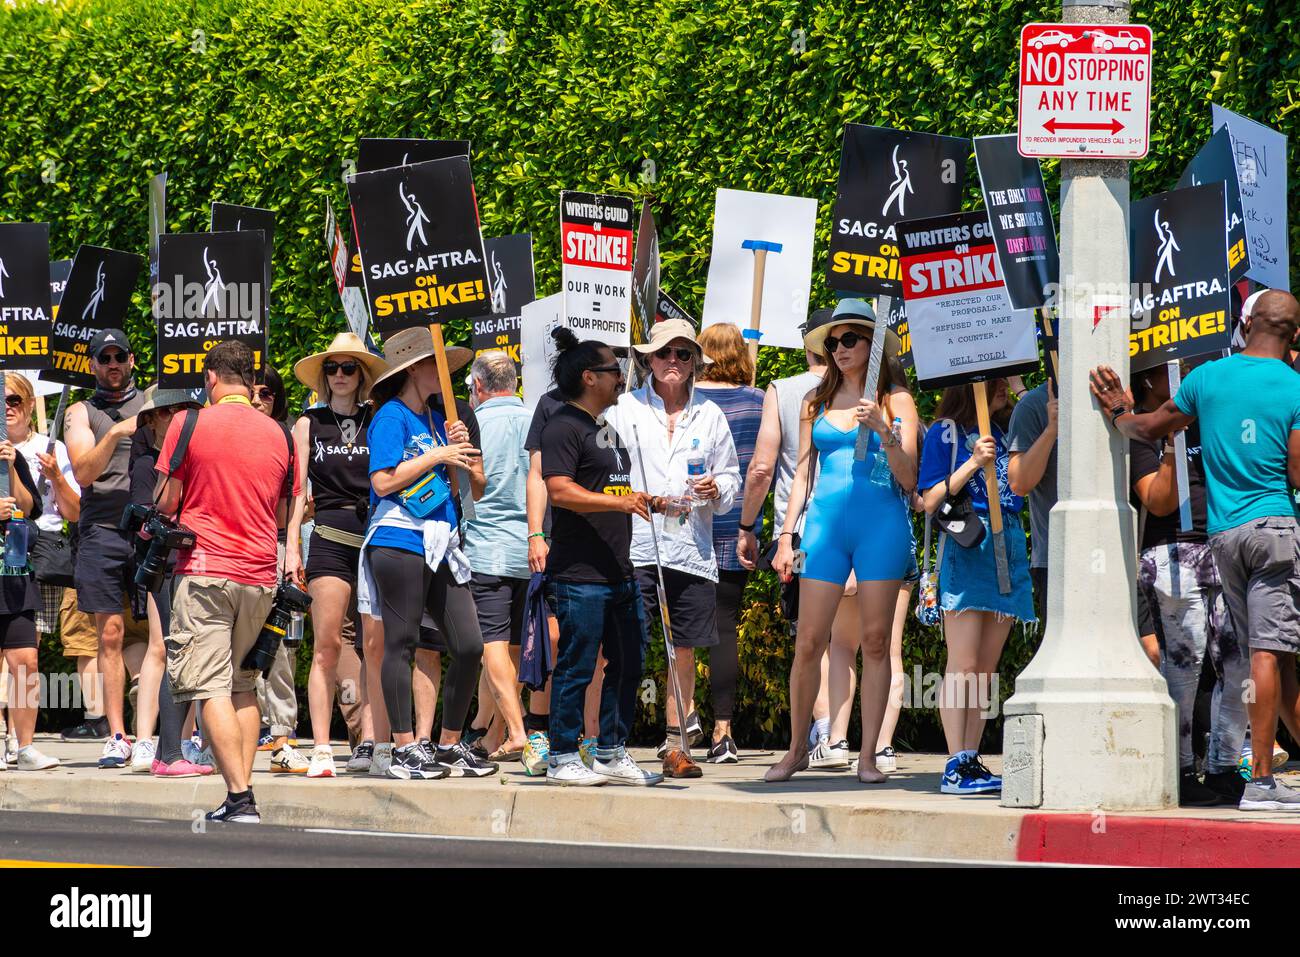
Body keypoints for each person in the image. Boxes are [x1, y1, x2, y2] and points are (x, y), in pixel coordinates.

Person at [1090, 289, 1300, 811]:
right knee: (1266, 653)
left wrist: (1118, 411)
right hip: (1275, 528)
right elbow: (1297, 473)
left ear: (1246, 325)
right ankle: (1261, 782)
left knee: (1266, 657)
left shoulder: (1206, 378)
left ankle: (1246, 773)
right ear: (1295, 336)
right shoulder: (1296, 387)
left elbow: (1147, 427)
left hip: (1223, 538)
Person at [769, 298, 918, 784]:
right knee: (809, 641)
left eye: (848, 339)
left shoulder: (897, 401)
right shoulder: (815, 402)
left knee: (875, 642)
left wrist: (885, 432)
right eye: (831, 342)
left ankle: (870, 756)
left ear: (873, 346)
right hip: (824, 527)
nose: (838, 349)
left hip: (882, 526)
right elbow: (803, 474)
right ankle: (795, 750)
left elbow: (910, 478)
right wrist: (786, 535)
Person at [154, 340, 300, 824]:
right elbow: (282, 512)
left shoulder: (189, 422)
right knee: (243, 687)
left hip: (205, 571)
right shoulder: (280, 434)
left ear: (212, 379)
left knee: (209, 686)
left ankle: (240, 798)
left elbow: (168, 501)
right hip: (260, 574)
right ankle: (243, 794)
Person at [359, 325, 496, 780]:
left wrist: (464, 456)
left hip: (441, 539)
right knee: (402, 642)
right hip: (398, 539)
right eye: (436, 366)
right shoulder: (391, 417)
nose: (445, 376)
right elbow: (382, 481)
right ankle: (403, 749)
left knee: (469, 644)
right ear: (415, 368)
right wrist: (438, 455)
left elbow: (476, 486)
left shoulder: (441, 419)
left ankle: (449, 743)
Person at [606, 319, 739, 773]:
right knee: (625, 644)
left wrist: (716, 488)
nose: (674, 362)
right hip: (637, 542)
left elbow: (732, 479)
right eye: (665, 353)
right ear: (648, 359)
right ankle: (609, 740)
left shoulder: (711, 413)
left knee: (683, 647)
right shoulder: (623, 408)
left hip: (690, 545)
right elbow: (603, 471)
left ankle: (675, 740)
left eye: (684, 354)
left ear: (696, 363)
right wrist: (631, 500)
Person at [735, 308, 863, 770]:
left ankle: (825, 730)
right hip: (850, 527)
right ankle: (841, 736)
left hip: (807, 531)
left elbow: (763, 467)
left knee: (812, 638)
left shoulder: (785, 390)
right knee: (849, 640)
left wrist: (750, 528)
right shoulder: (862, 393)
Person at [540, 327, 663, 786]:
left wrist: (644, 499)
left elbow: (609, 489)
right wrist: (618, 502)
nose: (622, 376)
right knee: (577, 665)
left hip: (619, 569)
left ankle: (611, 752)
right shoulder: (562, 426)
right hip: (579, 573)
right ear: (590, 377)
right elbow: (560, 490)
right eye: (615, 369)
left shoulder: (604, 429)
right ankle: (562, 756)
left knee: (630, 662)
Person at [1125, 363, 1247, 806]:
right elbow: (1156, 501)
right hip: (1172, 552)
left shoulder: (1211, 419)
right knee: (1184, 667)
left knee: (1238, 663)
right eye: (1177, 367)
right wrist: (1173, 445)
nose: (1191, 372)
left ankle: (1224, 767)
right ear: (1152, 379)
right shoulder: (1143, 431)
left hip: (1223, 545)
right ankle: (1176, 770)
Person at [918, 379, 1036, 795]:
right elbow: (928, 501)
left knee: (986, 670)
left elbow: (1042, 410)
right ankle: (955, 762)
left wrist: (1022, 389)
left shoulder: (1010, 430)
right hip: (968, 546)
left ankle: (971, 758)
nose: (1003, 386)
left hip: (1008, 545)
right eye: (996, 380)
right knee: (963, 664)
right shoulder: (945, 431)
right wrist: (972, 463)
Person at [286, 332, 387, 778]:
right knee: (326, 644)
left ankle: (370, 741)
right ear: (323, 375)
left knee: (375, 646)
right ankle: (323, 746)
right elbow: (296, 492)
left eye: (349, 367)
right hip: (327, 532)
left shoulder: (380, 416)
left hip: (376, 535)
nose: (341, 375)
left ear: (362, 374)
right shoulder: (308, 422)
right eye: (333, 368)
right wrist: (291, 543)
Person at [62, 328, 147, 768]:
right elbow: (82, 472)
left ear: (132, 360)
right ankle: (118, 733)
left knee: (166, 635)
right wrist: (116, 434)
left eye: (119, 357)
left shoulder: (152, 401)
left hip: (150, 529)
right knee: (109, 635)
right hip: (102, 531)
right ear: (92, 365)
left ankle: (163, 733)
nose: (112, 365)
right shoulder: (81, 411)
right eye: (104, 358)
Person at [126, 385, 211, 777]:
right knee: (163, 648)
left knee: (188, 649)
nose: (175, 416)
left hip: (191, 560)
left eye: (183, 409)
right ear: (150, 420)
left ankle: (178, 742)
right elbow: (150, 515)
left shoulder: (195, 457)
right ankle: (149, 741)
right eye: (165, 411)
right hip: (162, 563)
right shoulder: (146, 463)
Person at [693, 323, 764, 763]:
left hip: (685, 525)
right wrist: (749, 525)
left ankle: (679, 721)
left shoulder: (684, 400)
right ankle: (723, 730)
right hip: (735, 527)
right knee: (723, 630)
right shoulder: (757, 402)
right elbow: (762, 469)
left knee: (677, 636)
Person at [461, 352, 530, 760]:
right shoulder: (535, 421)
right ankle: (493, 735)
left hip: (487, 547)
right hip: (529, 547)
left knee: (493, 645)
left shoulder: (474, 425)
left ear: (479, 386)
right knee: (515, 648)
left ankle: (516, 731)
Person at [245, 363, 311, 774]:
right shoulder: (226, 432)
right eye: (252, 392)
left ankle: (282, 735)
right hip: (229, 551)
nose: (257, 399)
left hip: (271, 547)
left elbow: (298, 500)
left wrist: (291, 551)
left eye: (266, 393)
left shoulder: (286, 440)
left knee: (278, 646)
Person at [0, 402, 55, 770]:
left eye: (12, 402)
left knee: (26, 661)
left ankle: (25, 747)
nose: (6, 409)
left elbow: (30, 507)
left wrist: (9, 464)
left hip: (13, 569)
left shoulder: (12, 454)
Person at [1007, 378, 1058, 631]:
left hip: (1120, 556)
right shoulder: (1034, 405)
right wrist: (1051, 431)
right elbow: (1019, 482)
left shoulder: (1121, 394)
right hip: (1057, 559)